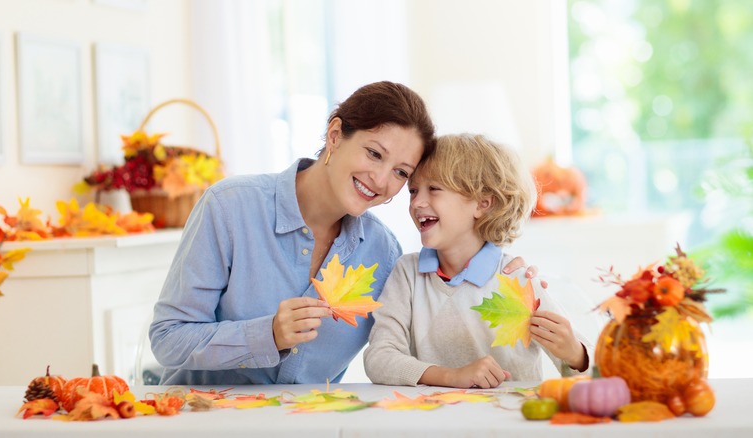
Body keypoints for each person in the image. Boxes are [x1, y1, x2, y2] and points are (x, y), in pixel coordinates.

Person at [149, 82, 538, 385]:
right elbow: (168, 339)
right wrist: (265, 334)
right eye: (374, 153)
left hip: (313, 423)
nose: (382, 180)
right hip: (204, 419)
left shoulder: (383, 252)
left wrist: (496, 274)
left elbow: (419, 337)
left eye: (402, 173)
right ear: (335, 135)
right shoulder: (231, 207)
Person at [364, 134, 591, 389]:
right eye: (413, 190)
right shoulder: (407, 274)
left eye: (434, 189)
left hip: (510, 425)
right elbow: (379, 358)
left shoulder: (518, 280)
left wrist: (575, 354)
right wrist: (450, 376)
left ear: (482, 204)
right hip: (433, 425)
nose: (417, 202)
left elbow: (593, 374)